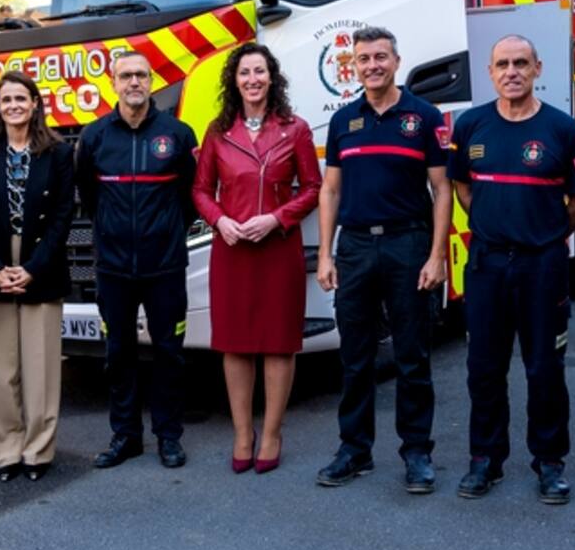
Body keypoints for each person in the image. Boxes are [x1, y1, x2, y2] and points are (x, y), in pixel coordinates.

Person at [447, 35, 575, 504]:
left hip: (542, 266)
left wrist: (548, 235)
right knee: (483, 368)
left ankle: (549, 463)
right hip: (487, 265)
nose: (511, 71)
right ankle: (485, 461)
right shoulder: (471, 126)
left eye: (521, 63)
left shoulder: (563, 130)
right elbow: (461, 188)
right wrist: (492, 226)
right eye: (502, 64)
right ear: (490, 72)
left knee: (544, 368)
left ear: (537, 69)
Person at [315, 26, 452, 493]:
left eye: (380, 57)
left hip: (407, 244)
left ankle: (417, 453)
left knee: (412, 355)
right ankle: (354, 450)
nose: (371, 65)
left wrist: (437, 255)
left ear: (396, 61)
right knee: (355, 357)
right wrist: (325, 255)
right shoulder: (343, 121)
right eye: (363, 59)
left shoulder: (424, 116)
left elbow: (443, 188)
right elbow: (329, 189)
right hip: (354, 247)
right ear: (353, 66)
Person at [192, 44, 322, 474]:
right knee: (236, 343)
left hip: (277, 248)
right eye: (244, 72)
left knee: (278, 342)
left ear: (272, 78)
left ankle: (272, 433)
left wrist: (276, 219)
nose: (252, 79)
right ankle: (242, 433)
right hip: (231, 251)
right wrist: (220, 220)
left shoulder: (295, 129)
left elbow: (312, 188)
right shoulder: (217, 132)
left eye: (259, 72)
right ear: (234, 80)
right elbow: (200, 190)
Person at [74, 51, 198, 470]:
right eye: (126, 75)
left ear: (151, 81)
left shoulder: (178, 134)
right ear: (113, 82)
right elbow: (90, 199)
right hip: (112, 268)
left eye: (141, 75)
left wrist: (165, 233)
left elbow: (190, 200)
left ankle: (169, 437)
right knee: (118, 353)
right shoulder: (93, 138)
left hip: (164, 266)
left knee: (169, 353)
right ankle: (126, 436)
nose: (134, 83)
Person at [0, 71, 75, 482]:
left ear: (34, 104)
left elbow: (64, 215)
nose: (13, 106)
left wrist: (32, 268)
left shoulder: (59, 153)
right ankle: (5, 450)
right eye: (6, 99)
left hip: (40, 265)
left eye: (21, 99)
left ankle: (38, 451)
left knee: (41, 366)